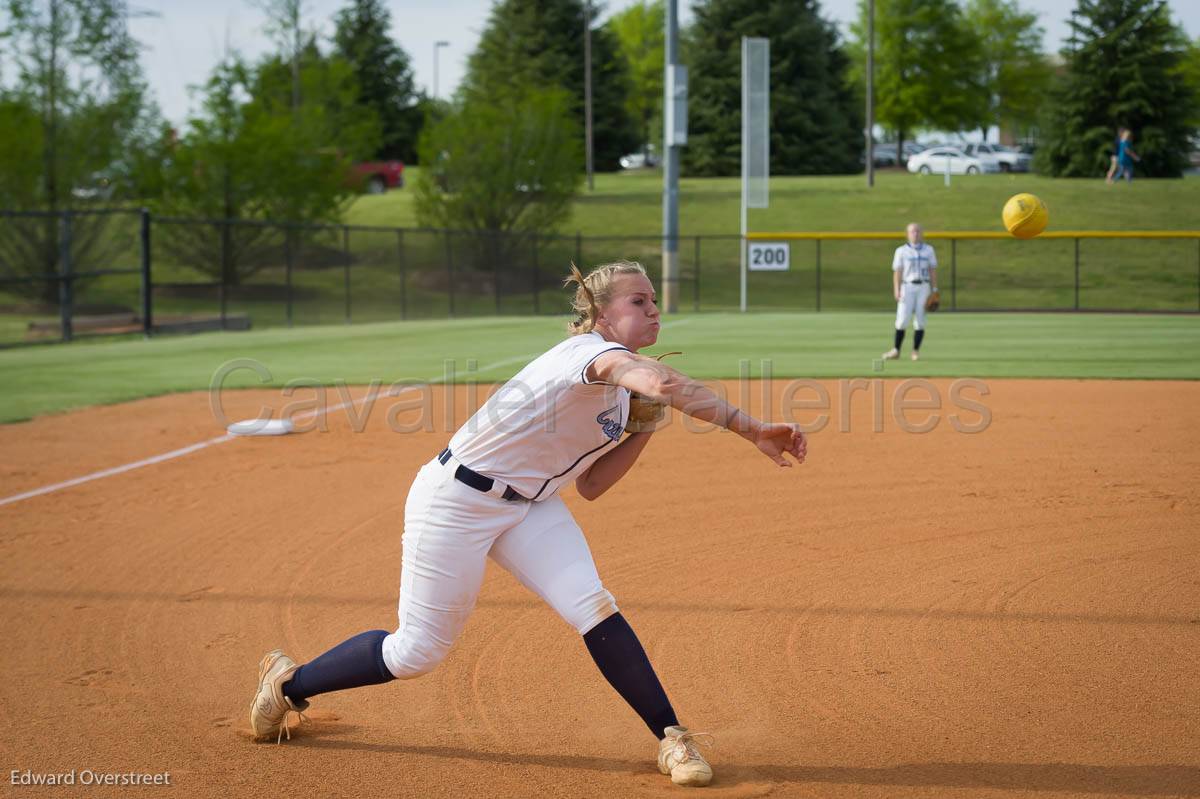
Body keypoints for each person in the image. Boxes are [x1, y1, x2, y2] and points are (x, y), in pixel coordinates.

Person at [247, 260, 808, 788]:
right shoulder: (587, 355)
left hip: (529, 506)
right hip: (456, 500)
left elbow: (591, 486)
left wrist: (640, 430)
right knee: (416, 653)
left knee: (593, 605)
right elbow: (659, 383)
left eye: (656, 299)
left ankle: (671, 737)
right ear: (602, 314)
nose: (655, 309)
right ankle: (288, 684)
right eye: (640, 300)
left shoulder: (616, 394)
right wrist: (751, 428)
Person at [882, 222, 938, 362]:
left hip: (924, 286)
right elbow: (897, 271)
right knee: (902, 320)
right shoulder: (901, 251)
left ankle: (915, 351)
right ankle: (896, 350)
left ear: (922, 233)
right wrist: (896, 289)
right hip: (907, 287)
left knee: (920, 321)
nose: (915, 233)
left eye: (918, 231)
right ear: (907, 234)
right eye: (913, 231)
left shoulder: (929, 250)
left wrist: (935, 289)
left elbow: (932, 270)